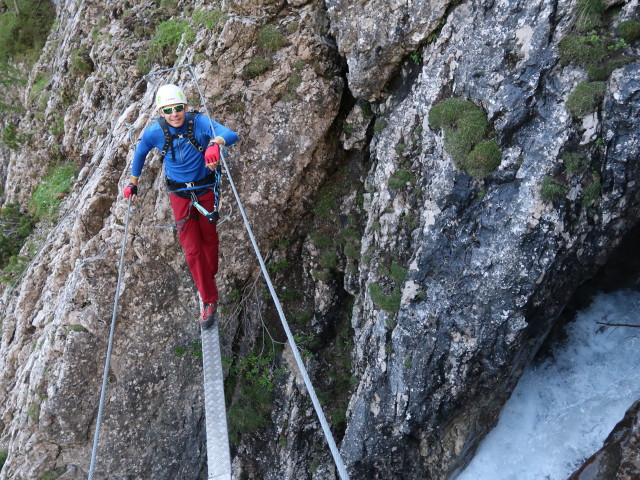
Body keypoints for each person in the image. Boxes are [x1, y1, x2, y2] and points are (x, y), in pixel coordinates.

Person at [124, 84, 239, 329]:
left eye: (178, 108)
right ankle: (209, 299)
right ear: (160, 112)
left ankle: (208, 277)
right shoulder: (155, 132)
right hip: (180, 194)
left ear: (186, 107)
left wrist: (214, 143)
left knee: (209, 238)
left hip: (205, 189)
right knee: (191, 249)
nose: (174, 114)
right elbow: (141, 153)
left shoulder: (198, 123)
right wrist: (133, 183)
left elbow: (230, 134)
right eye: (168, 110)